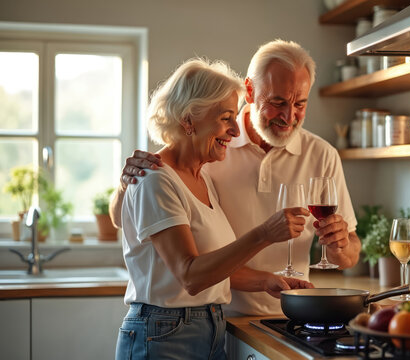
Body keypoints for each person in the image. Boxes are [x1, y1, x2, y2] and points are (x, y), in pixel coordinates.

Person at [111, 39, 361, 317]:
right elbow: (127, 216)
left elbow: (349, 253)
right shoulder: (209, 150)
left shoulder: (322, 154)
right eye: (277, 102)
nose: (289, 116)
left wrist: (339, 246)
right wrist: (126, 184)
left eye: (300, 104)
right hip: (222, 316)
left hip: (285, 312)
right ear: (251, 91)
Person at [114, 57, 313, 360]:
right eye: (226, 118)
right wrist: (264, 234)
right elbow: (191, 276)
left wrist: (267, 281)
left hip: (208, 329)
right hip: (164, 335)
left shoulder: (202, 176)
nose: (235, 131)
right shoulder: (155, 178)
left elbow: (213, 269)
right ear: (188, 120)